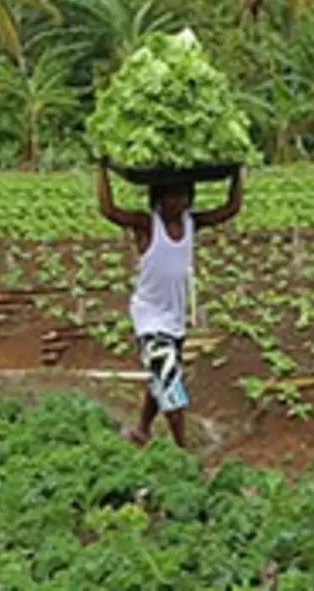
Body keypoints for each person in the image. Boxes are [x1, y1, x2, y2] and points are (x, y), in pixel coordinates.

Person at [96, 159, 244, 448]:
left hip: (175, 319)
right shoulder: (147, 225)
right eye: (171, 195)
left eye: (183, 195)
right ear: (158, 200)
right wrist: (102, 170)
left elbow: (230, 209)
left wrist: (237, 173)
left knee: (161, 376)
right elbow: (109, 210)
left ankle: (141, 430)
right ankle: (181, 450)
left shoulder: (191, 223)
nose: (178, 201)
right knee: (170, 384)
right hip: (150, 317)